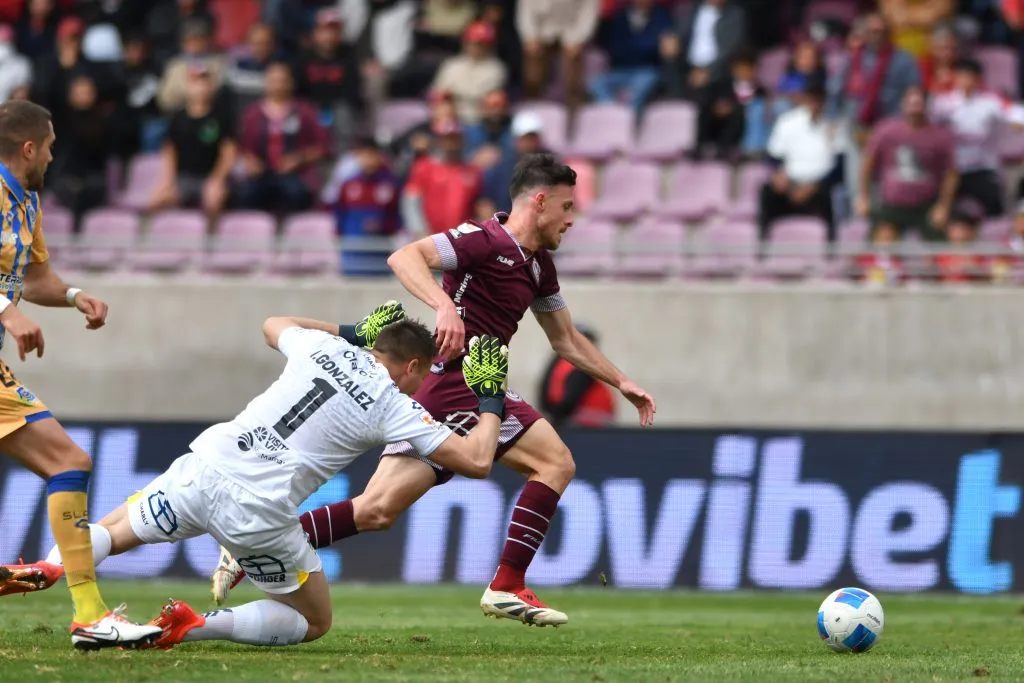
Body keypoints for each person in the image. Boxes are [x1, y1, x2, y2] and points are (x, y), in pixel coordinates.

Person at [213, 154, 658, 627]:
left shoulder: (538, 266)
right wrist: (444, 305)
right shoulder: (482, 241)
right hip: (453, 386)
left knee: (378, 510)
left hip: (480, 388)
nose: (573, 218)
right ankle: (506, 583)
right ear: (540, 201)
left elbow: (565, 339)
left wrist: (622, 381)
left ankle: (255, 544)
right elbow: (405, 257)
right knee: (545, 464)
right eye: (567, 207)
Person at [17, 304, 512, 650]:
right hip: (258, 513)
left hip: (206, 465)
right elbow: (476, 460)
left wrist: (350, 330)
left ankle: (48, 566)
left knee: (112, 530)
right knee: (314, 620)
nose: (420, 385)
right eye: (421, 377)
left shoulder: (319, 346)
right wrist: (490, 397)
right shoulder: (395, 405)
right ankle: (190, 626)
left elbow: (273, 322)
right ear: (412, 365)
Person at [0, 100, 161, 650]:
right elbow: (10, 295)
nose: (51, 153)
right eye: (46, 145)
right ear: (28, 148)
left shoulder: (27, 204)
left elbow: (35, 278)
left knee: (68, 463)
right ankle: (89, 616)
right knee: (68, 461)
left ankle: (89, 615)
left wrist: (72, 296)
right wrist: (6, 311)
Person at [857, 85, 957, 241]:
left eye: (918, 103)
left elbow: (951, 174)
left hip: (926, 205)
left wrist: (943, 206)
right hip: (891, 204)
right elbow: (867, 164)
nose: (914, 108)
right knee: (878, 244)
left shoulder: (940, 136)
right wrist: (864, 197)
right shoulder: (886, 131)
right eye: (910, 103)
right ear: (902, 104)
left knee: (941, 246)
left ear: (926, 105)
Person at [930, 57, 1024, 217]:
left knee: (996, 211)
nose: (966, 81)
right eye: (962, 76)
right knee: (939, 206)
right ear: (956, 77)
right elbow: (927, 127)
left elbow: (1016, 115)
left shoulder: (990, 102)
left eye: (971, 77)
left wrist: (1017, 123)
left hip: (983, 168)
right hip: (953, 170)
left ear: (978, 80)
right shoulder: (942, 103)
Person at [236, 61, 330, 212]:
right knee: (245, 195)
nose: (278, 85)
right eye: (274, 81)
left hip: (295, 173)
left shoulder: (306, 112)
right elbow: (241, 147)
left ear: (291, 83)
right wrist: (250, 160)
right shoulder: (252, 114)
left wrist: (299, 158)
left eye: (283, 81)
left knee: (297, 194)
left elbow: (323, 147)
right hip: (261, 173)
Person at [149, 64, 236, 217]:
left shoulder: (221, 117)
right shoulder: (177, 117)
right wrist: (167, 180)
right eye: (195, 83)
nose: (200, 88)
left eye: (204, 83)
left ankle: (212, 238)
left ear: (211, 86)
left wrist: (217, 180)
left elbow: (228, 153)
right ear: (188, 86)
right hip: (183, 177)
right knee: (156, 201)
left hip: (209, 176)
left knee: (215, 199)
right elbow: (170, 150)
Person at [760, 78, 840, 242]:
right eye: (811, 98)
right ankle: (762, 250)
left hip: (818, 187)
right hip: (789, 185)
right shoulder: (787, 122)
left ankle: (830, 253)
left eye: (819, 99)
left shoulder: (833, 125)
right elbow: (774, 157)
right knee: (766, 192)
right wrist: (779, 176)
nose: (814, 103)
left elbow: (839, 167)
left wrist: (812, 187)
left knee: (830, 196)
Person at [538, 324, 616, 429]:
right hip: (582, 425)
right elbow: (568, 399)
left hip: (592, 423)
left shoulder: (561, 362)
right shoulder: (577, 366)